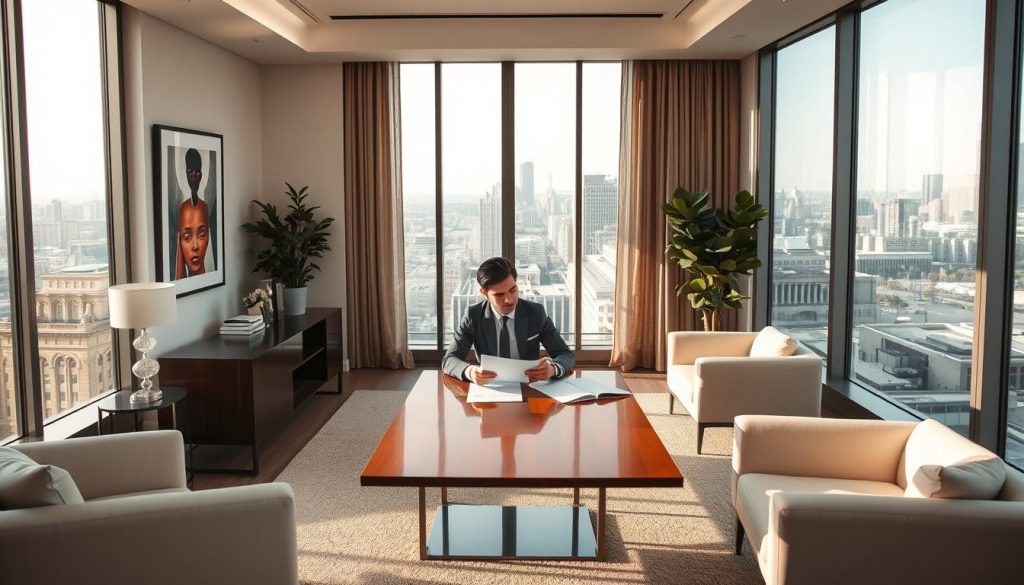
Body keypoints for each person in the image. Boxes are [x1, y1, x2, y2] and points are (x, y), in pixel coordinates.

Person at [442, 257, 575, 384]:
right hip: (490, 388)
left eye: (513, 290)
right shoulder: (473, 316)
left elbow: (565, 354)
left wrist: (553, 368)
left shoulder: (536, 313)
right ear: (484, 293)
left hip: (530, 386)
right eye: (499, 295)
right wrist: (470, 372)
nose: (509, 300)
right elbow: (449, 360)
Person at [174, 148, 211, 278]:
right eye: (187, 237)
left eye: (201, 235)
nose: (195, 247)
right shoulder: (183, 208)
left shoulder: (204, 207)